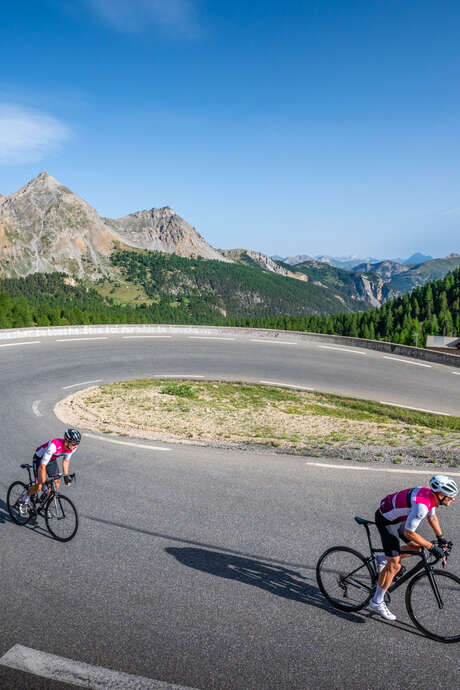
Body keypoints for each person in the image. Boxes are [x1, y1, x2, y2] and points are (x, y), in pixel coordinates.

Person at [369, 474, 457, 621]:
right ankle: (376, 601)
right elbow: (409, 533)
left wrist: (441, 539)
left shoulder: (430, 496)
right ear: (441, 494)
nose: (453, 499)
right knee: (395, 566)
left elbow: (432, 517)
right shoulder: (421, 506)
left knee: (418, 548)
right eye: (450, 496)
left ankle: (382, 558)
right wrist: (432, 547)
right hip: (386, 521)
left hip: (399, 518)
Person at [19, 428, 81, 516]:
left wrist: (66, 476)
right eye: (74, 443)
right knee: (40, 485)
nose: (76, 446)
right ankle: (24, 499)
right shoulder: (54, 445)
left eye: (78, 443)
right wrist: (43, 481)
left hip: (51, 460)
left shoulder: (72, 448)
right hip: (40, 459)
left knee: (56, 484)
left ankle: (44, 504)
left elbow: (66, 461)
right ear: (66, 441)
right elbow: (43, 465)